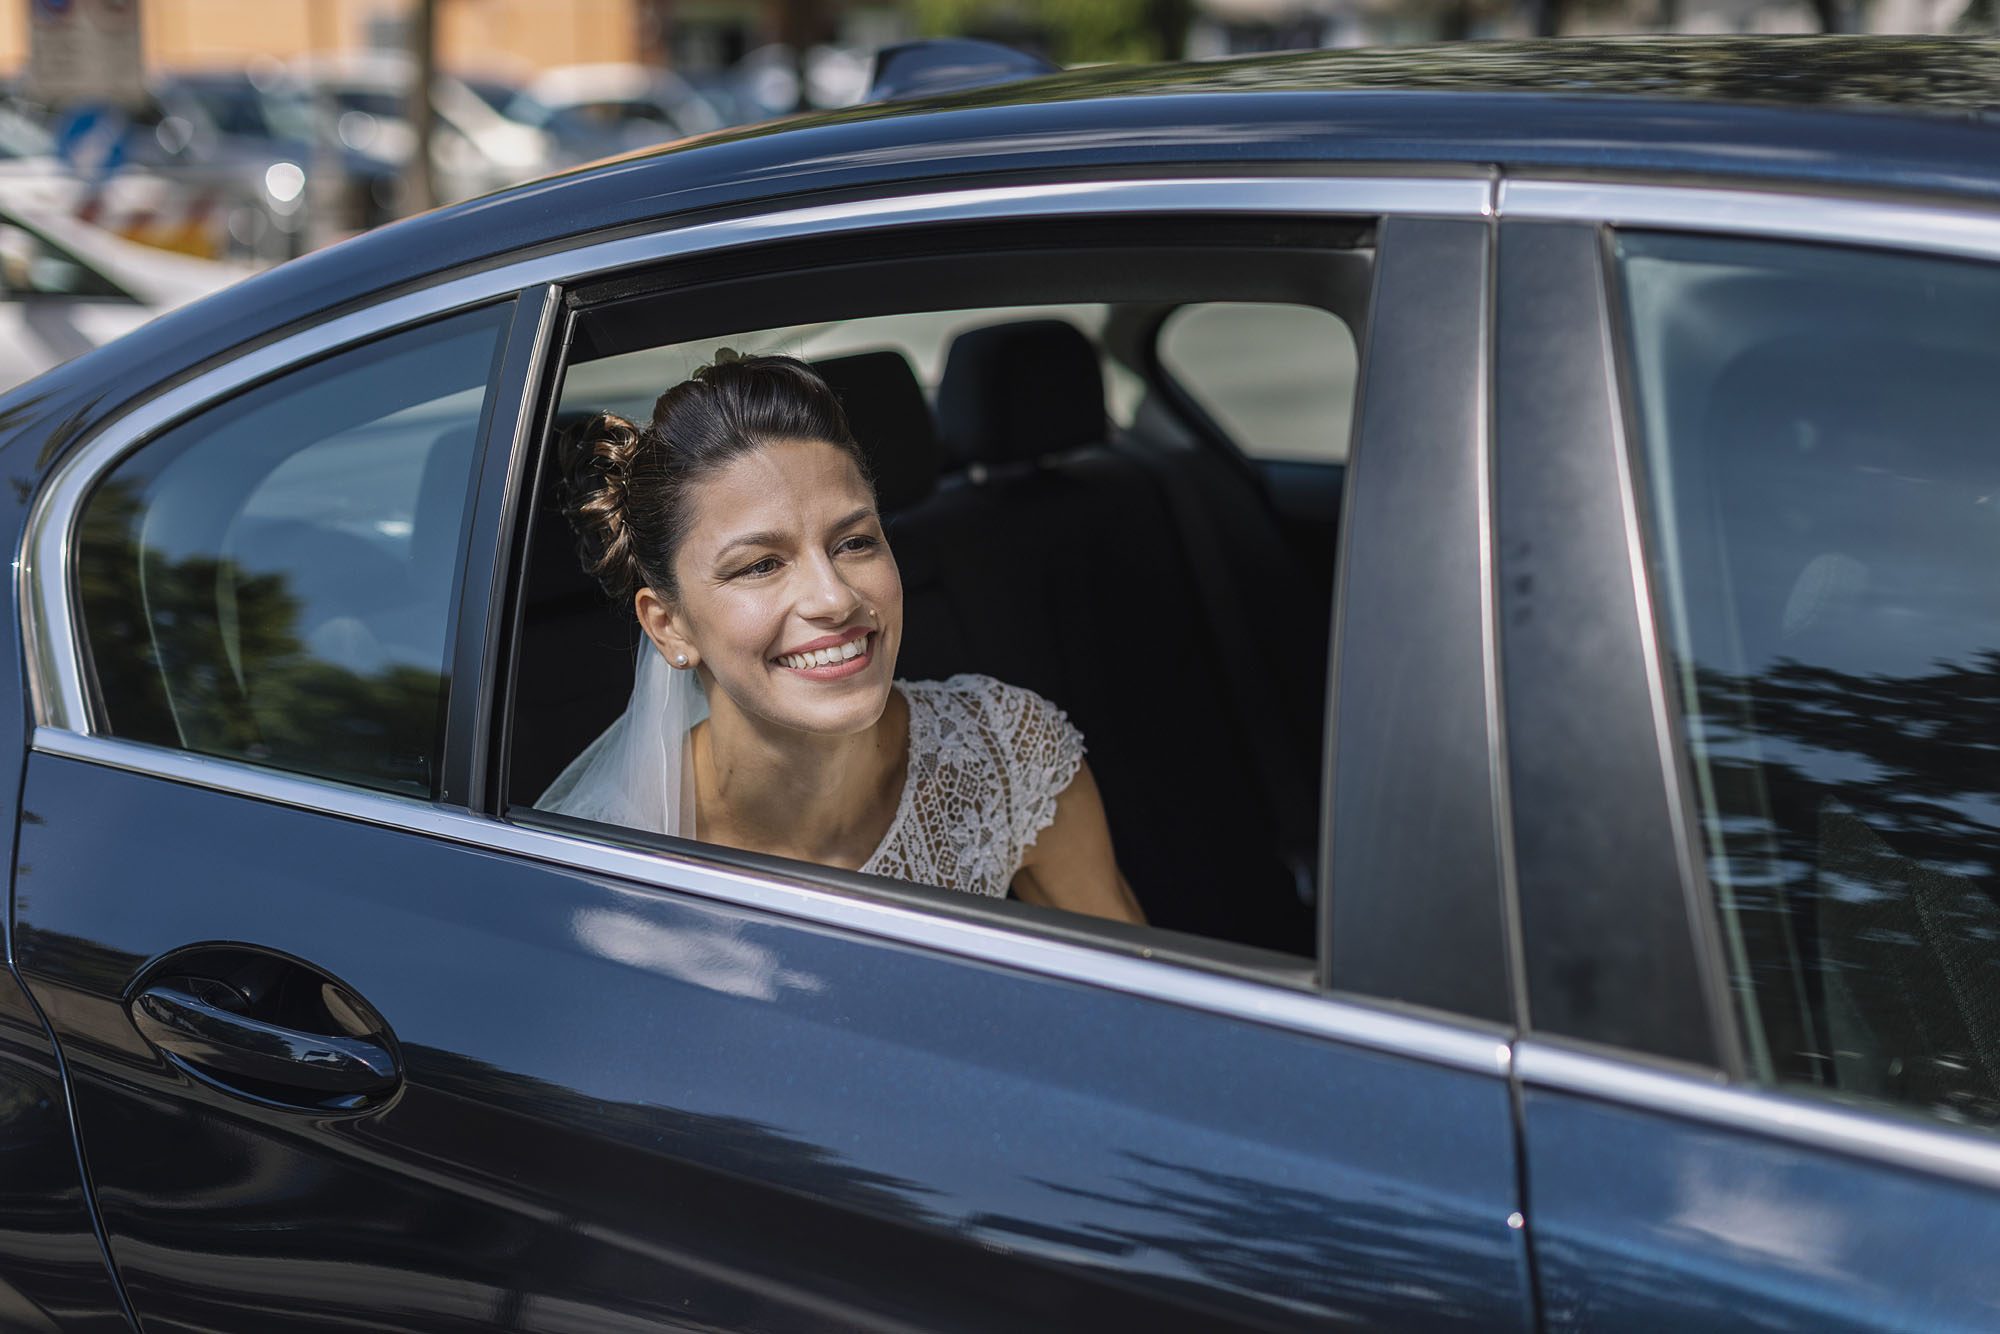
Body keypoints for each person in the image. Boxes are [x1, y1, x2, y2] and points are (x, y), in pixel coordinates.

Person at [538, 352, 1145, 925]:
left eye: (855, 543)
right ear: (669, 625)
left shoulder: (1008, 752)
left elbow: (1141, 1008)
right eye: (761, 565)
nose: (835, 599)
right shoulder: (600, 871)